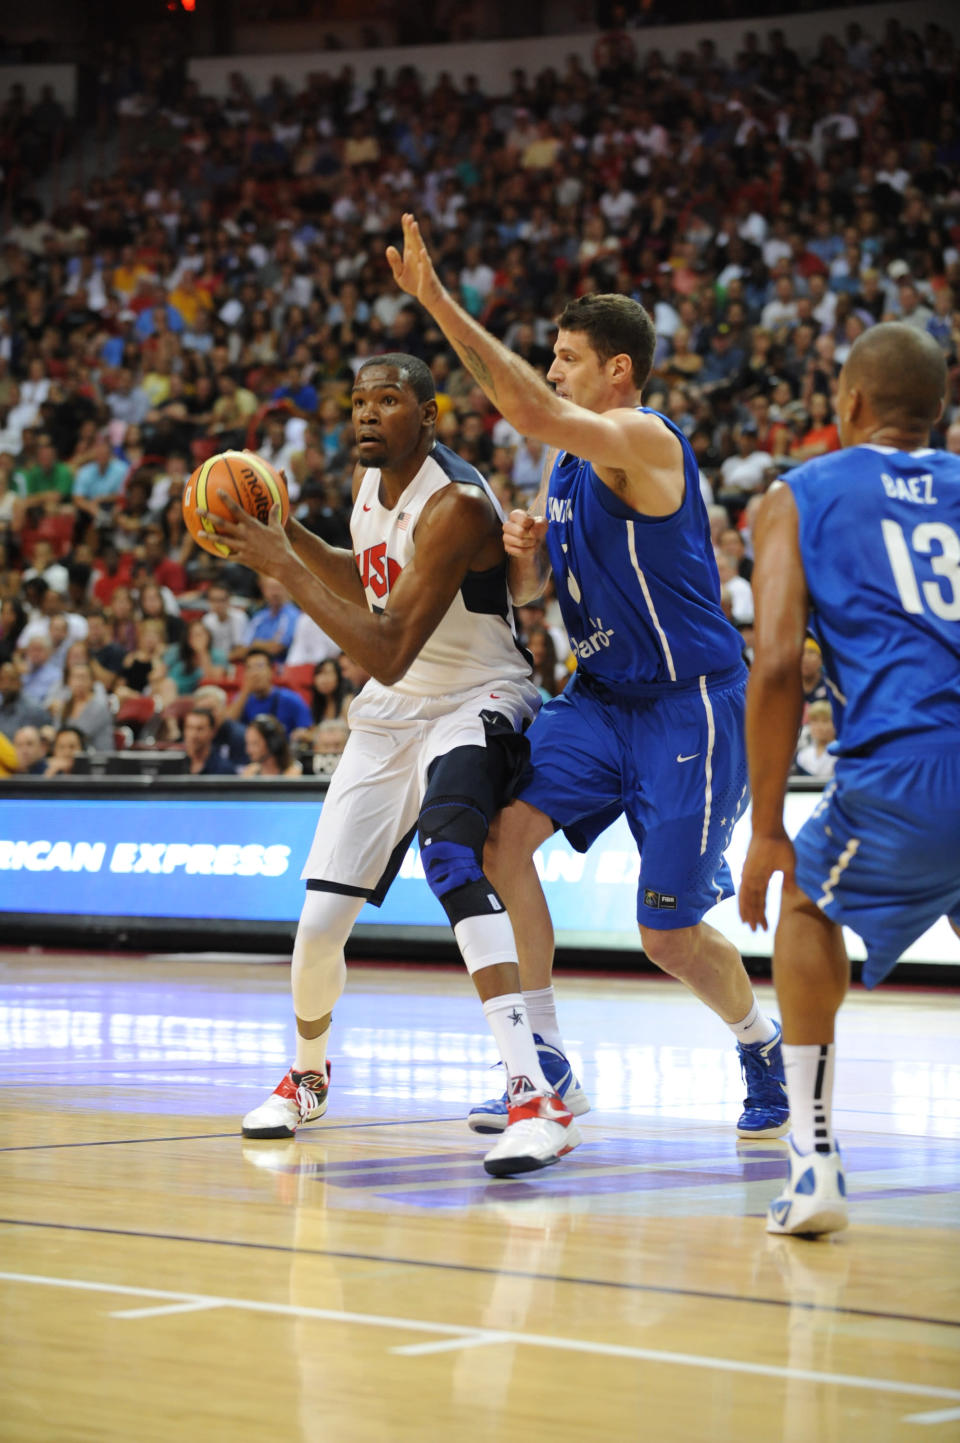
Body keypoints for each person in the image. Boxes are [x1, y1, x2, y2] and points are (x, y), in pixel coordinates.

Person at [384, 213, 787, 1139]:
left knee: (668, 937)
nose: (553, 368)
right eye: (551, 355)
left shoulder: (643, 438)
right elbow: (534, 590)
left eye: (567, 357)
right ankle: (548, 1060)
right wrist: (524, 556)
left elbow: (525, 407)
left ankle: (759, 1040)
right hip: (600, 700)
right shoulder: (565, 459)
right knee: (496, 844)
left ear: (618, 370)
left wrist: (436, 300)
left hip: (690, 709)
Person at [203, 352, 583, 1177]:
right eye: (358, 401)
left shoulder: (455, 503)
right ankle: (308, 1075)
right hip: (391, 718)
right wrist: (290, 534)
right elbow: (371, 583)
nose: (367, 414)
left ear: (430, 413)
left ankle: (533, 1092)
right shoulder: (371, 487)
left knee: (453, 855)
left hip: (475, 698)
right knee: (318, 930)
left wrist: (277, 564)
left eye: (388, 400)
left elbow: (382, 646)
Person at [740, 323, 960, 1237]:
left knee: (804, 903)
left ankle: (816, 1158)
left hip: (907, 764)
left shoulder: (801, 494)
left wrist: (764, 828)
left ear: (852, 403)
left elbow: (779, 665)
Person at [241, 713, 303, 777]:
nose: (248, 750)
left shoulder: (292, 774)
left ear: (273, 743)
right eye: (248, 744)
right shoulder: (250, 772)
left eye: (255, 744)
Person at [181, 707, 237, 776]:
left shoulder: (224, 770)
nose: (193, 735)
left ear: (213, 732)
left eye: (200, 729)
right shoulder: (173, 764)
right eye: (189, 728)